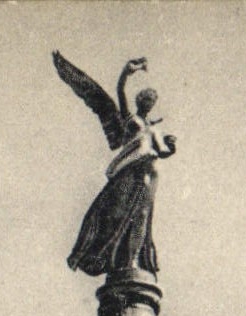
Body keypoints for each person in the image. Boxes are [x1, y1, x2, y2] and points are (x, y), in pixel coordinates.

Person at [53, 54, 177, 279]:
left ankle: (132, 260)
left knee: (141, 217)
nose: (149, 103)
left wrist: (171, 145)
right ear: (140, 102)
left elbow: (164, 152)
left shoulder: (153, 130)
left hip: (149, 176)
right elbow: (120, 93)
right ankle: (108, 256)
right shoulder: (131, 121)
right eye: (146, 99)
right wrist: (126, 73)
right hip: (128, 173)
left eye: (152, 101)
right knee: (118, 215)